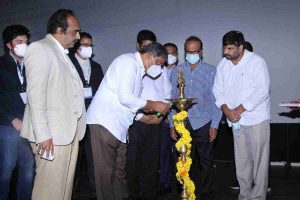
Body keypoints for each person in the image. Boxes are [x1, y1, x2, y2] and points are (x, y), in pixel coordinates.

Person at [87, 42, 171, 200]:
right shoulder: (128, 62)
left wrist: (144, 118)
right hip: (105, 123)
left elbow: (131, 105)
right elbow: (125, 98)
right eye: (158, 63)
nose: (159, 68)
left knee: (119, 171)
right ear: (149, 56)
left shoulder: (139, 73)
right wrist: (155, 105)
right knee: (105, 174)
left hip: (120, 127)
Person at [21, 9, 86, 200]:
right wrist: (43, 135)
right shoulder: (40, 49)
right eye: (75, 31)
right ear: (59, 30)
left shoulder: (63, 54)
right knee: (48, 191)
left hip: (67, 132)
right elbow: (36, 96)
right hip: (51, 136)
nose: (78, 36)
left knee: (62, 190)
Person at [213, 30, 270, 200]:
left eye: (230, 48)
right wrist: (226, 110)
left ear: (241, 47)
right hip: (235, 121)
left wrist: (237, 110)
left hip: (256, 119)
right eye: (224, 48)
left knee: (259, 161)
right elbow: (218, 90)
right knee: (242, 160)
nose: (226, 52)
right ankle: (244, 195)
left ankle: (258, 196)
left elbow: (262, 91)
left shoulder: (257, 62)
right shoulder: (223, 65)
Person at [169, 36, 222, 199]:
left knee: (205, 160)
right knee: (182, 159)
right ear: (184, 51)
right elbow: (172, 97)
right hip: (182, 122)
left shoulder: (211, 71)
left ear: (201, 52)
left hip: (203, 121)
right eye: (188, 51)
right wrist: (172, 123)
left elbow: (216, 100)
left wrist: (215, 124)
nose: (191, 54)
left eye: (195, 52)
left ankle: (206, 191)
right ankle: (184, 189)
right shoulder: (177, 71)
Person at [126, 30, 172, 200]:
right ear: (138, 47)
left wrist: (160, 115)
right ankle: (133, 195)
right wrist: (141, 117)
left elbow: (167, 94)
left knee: (152, 163)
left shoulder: (161, 68)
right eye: (146, 47)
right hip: (136, 121)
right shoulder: (132, 66)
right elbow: (128, 97)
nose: (150, 53)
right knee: (133, 163)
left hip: (157, 120)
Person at [0, 24, 34, 200]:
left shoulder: (30, 64)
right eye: (19, 42)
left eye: (26, 42)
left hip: (28, 124)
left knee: (28, 169)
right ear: (9, 45)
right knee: (6, 170)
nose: (23, 45)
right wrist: (12, 118)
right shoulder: (1, 65)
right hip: (8, 125)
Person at [68, 32, 104, 193]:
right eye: (84, 45)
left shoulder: (96, 67)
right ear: (76, 46)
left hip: (92, 116)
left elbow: (101, 91)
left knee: (93, 155)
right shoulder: (67, 63)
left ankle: (95, 190)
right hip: (73, 116)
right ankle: (71, 191)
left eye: (90, 45)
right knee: (74, 158)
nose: (88, 48)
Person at [159, 42, 179, 194]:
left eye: (173, 53)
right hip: (163, 120)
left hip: (180, 119)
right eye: (167, 53)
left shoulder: (182, 71)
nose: (170, 56)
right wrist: (163, 115)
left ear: (177, 56)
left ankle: (181, 182)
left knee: (180, 153)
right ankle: (164, 182)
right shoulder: (157, 71)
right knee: (164, 153)